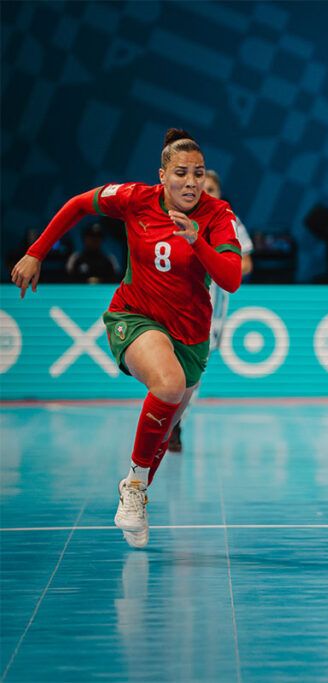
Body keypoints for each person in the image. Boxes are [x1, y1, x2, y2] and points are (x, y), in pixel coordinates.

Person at [10, 128, 242, 549]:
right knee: (167, 384)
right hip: (134, 317)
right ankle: (134, 492)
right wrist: (37, 251)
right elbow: (79, 204)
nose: (191, 182)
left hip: (191, 335)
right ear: (162, 176)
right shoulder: (136, 198)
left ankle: (134, 487)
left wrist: (197, 240)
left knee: (165, 424)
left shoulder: (218, 214)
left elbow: (230, 278)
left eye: (198, 173)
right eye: (181, 173)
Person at [167, 168, 254, 452]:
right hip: (175, 301)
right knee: (167, 363)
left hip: (211, 309)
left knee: (194, 370)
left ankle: (176, 423)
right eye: (204, 190)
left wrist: (216, 262)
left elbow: (245, 264)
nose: (207, 195)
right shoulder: (176, 217)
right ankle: (165, 415)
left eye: (213, 191)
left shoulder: (228, 221)